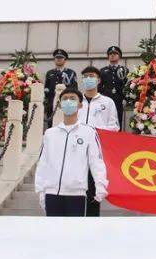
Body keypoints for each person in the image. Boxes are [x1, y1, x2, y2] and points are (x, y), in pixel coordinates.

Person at [34, 88, 108, 217]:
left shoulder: (89, 132)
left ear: (80, 105)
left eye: (72, 99)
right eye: (65, 99)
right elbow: (43, 163)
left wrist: (100, 185)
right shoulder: (50, 134)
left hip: (77, 194)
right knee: (53, 233)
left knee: (75, 235)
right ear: (60, 104)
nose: (68, 102)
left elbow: (96, 162)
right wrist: (40, 190)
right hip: (52, 193)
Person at [77, 66, 119, 216]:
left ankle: (92, 220)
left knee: (94, 187)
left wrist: (97, 134)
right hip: (77, 150)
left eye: (92, 76)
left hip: (97, 150)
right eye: (85, 76)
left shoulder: (107, 102)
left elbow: (114, 126)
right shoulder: (75, 100)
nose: (88, 79)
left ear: (98, 80)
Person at [43, 48, 77, 128]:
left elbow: (75, 89)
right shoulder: (50, 73)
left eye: (61, 58)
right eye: (57, 58)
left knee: (66, 125)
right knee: (51, 125)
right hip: (52, 104)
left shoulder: (71, 73)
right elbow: (46, 89)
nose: (58, 59)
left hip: (66, 103)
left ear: (65, 60)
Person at [98, 46, 129, 128]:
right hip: (106, 99)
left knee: (118, 120)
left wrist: (125, 99)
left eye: (115, 54)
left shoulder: (125, 70)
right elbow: (99, 86)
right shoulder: (102, 71)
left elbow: (127, 86)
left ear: (119, 56)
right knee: (105, 120)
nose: (112, 55)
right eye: (110, 54)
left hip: (119, 99)